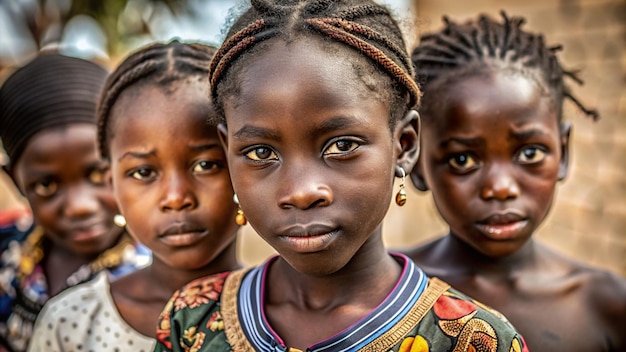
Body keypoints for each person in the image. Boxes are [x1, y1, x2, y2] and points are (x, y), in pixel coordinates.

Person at [154, 1, 528, 351]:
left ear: (404, 144)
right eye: (261, 153)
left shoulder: (473, 339)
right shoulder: (191, 320)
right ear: (227, 149)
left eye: (342, 145)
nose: (301, 192)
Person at [404, 12, 626, 352]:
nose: (501, 187)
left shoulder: (605, 304)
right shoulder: (389, 295)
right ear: (417, 164)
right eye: (462, 159)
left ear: (563, 152)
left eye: (530, 153)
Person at [27, 41, 242, 351]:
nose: (176, 197)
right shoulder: (71, 322)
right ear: (111, 181)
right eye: (143, 172)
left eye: (206, 165)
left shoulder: (287, 314)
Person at [0, 53, 148, 352]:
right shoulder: (7, 251)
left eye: (99, 174)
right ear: (15, 180)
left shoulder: (158, 273)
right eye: (46, 185)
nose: (80, 206)